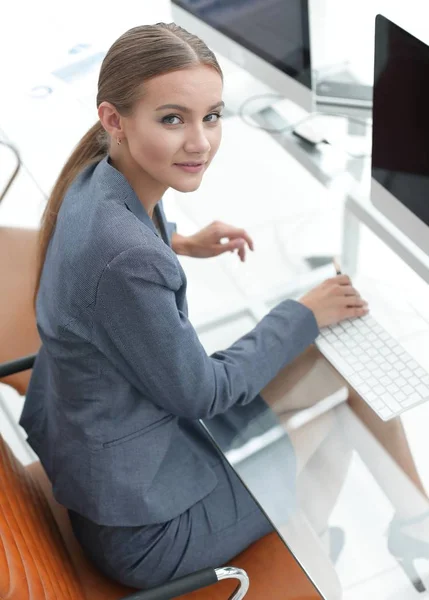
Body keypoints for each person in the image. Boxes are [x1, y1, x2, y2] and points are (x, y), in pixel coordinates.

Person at [18, 22, 425, 592]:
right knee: (332, 420)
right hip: (147, 530)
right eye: (172, 119)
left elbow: (110, 264)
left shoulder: (93, 182)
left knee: (344, 366)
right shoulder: (127, 259)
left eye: (211, 116)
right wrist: (302, 311)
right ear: (115, 120)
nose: (200, 142)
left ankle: (412, 523)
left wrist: (179, 241)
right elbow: (203, 392)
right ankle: (315, 543)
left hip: (114, 459)